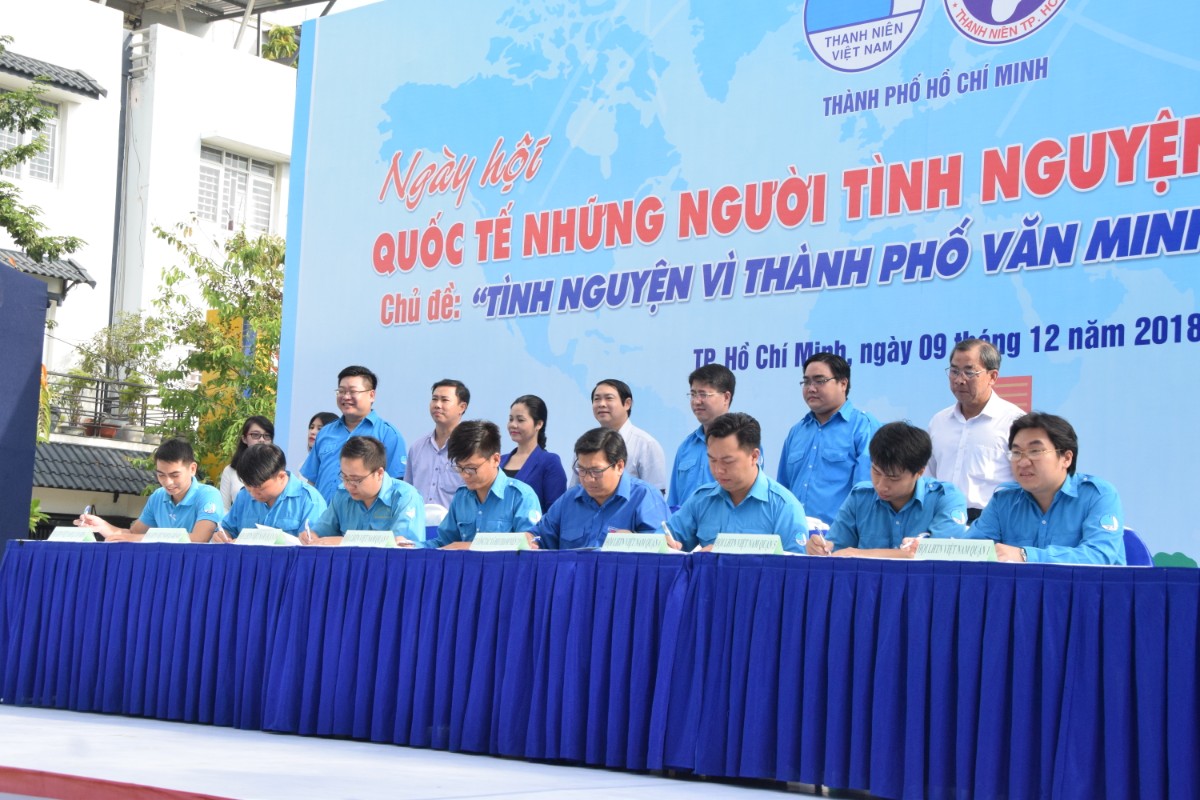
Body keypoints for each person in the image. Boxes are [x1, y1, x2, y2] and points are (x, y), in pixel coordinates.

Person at [969, 412, 1125, 564]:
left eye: (1035, 451)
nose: (1023, 462)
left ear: (1066, 458)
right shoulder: (1004, 500)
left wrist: (1025, 555)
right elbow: (971, 552)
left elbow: (1098, 556)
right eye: (1016, 452)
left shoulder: (1097, 495)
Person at [806, 422, 968, 558]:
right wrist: (821, 548)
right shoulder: (860, 497)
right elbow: (836, 548)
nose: (881, 485)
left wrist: (860, 554)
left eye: (893, 478)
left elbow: (938, 554)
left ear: (919, 472)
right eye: (876, 472)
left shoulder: (945, 498)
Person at [666, 412, 806, 553]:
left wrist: (724, 557)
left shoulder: (784, 507)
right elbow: (667, 538)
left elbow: (796, 564)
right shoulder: (701, 500)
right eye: (712, 460)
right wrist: (667, 545)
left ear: (754, 456)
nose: (718, 470)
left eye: (727, 461)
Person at [927, 338, 1027, 521]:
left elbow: (1026, 482)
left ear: (992, 377)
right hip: (941, 521)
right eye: (954, 371)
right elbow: (929, 477)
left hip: (993, 521)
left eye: (969, 372)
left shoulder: (1014, 422)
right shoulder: (939, 421)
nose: (960, 380)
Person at [777, 353, 881, 524]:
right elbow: (783, 489)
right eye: (806, 382)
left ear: (843, 384)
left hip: (839, 536)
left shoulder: (863, 426)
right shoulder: (796, 432)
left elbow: (866, 493)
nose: (811, 388)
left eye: (820, 381)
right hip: (795, 534)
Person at [529, 427, 669, 550]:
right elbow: (538, 536)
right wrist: (528, 539)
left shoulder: (645, 497)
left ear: (619, 466)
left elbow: (663, 552)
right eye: (582, 470)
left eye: (596, 471)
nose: (588, 479)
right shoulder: (570, 499)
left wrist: (635, 541)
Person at [75, 438, 223, 543]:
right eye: (161, 475)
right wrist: (102, 526)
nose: (167, 482)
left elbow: (199, 539)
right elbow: (133, 533)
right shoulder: (158, 496)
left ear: (192, 469)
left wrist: (137, 539)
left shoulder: (208, 495)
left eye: (174, 475)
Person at [425, 420, 542, 549]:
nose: (464, 475)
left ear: (495, 459)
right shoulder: (461, 497)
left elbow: (529, 546)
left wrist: (469, 547)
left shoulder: (521, 497)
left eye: (471, 468)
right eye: (459, 468)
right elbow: (443, 543)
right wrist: (412, 547)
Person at [301, 365, 407, 502]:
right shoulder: (325, 432)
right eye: (341, 391)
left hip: (364, 515)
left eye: (353, 391)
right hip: (323, 514)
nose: (346, 397)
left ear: (371, 395)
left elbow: (394, 486)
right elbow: (312, 481)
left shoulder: (389, 435)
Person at [302, 436, 425, 546]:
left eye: (356, 479)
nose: (349, 485)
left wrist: (346, 542)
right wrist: (310, 536)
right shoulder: (342, 495)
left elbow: (402, 546)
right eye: (344, 477)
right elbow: (320, 532)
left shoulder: (405, 497)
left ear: (379, 473)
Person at [570, 378, 666, 493]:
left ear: (627, 404)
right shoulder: (586, 443)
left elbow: (655, 495)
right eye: (597, 399)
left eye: (609, 398)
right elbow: (574, 490)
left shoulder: (646, 445)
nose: (601, 404)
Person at [214, 443, 327, 541]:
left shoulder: (310, 501)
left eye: (260, 489)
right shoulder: (244, 496)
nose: (253, 494)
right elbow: (228, 529)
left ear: (281, 477)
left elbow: (312, 547)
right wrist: (222, 536)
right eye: (249, 488)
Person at [668, 364, 735, 507]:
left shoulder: (742, 442)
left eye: (703, 394)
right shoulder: (686, 447)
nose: (696, 401)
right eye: (693, 394)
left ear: (726, 397)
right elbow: (673, 502)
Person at [405, 379, 470, 508]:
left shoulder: (470, 448)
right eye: (434, 399)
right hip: (419, 520)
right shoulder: (417, 448)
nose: (437, 405)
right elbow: (408, 492)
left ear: (462, 407)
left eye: (444, 400)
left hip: (455, 520)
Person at [499, 394, 567, 512]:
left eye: (520, 420)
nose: (513, 425)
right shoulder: (499, 460)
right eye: (511, 419)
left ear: (539, 424)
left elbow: (556, 511)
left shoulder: (549, 462)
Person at [219, 416, 274, 511]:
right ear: (244, 439)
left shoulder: (276, 470)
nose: (262, 440)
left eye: (267, 436)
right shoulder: (230, 470)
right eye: (255, 435)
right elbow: (224, 508)